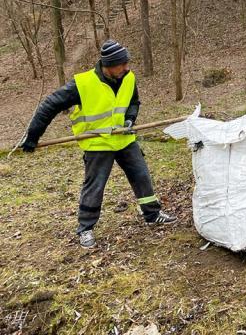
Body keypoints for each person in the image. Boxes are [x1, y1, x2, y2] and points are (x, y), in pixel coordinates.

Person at [20, 40, 176, 249]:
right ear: (108, 65)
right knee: (95, 186)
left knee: (141, 176)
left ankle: (152, 214)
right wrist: (32, 136)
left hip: (124, 138)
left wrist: (130, 119)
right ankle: (85, 228)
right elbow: (50, 105)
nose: (127, 67)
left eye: (127, 62)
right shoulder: (82, 84)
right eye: (122, 64)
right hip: (96, 142)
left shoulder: (128, 77)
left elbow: (133, 102)